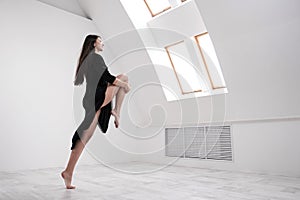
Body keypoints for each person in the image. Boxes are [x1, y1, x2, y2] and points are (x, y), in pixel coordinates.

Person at [61, 35, 130, 189]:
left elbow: (104, 79)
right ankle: (117, 111)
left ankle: (68, 172)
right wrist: (125, 86)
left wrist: (122, 85)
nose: (102, 43)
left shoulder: (89, 59)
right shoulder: (95, 58)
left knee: (86, 136)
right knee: (124, 78)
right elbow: (108, 77)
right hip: (96, 97)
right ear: (94, 43)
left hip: (92, 98)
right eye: (100, 40)